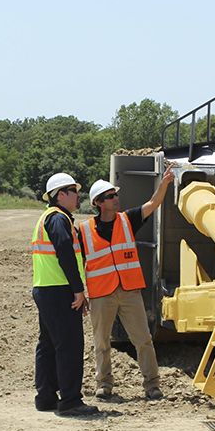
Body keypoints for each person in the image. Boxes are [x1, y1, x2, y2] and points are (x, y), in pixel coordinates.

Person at [79, 168, 174, 401]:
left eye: (115, 195)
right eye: (110, 196)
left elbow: (153, 204)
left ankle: (152, 385)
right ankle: (104, 384)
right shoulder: (83, 231)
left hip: (130, 291)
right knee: (101, 342)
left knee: (143, 339)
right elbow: (75, 262)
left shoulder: (127, 220)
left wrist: (164, 184)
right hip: (102, 294)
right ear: (98, 203)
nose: (116, 199)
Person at [29, 172, 99, 417]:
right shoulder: (59, 219)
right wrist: (78, 290)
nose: (77, 194)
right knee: (69, 345)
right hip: (60, 291)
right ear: (61, 195)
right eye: (73, 190)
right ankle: (70, 400)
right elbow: (65, 254)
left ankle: (45, 397)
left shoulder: (46, 218)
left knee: (48, 345)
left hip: (46, 289)